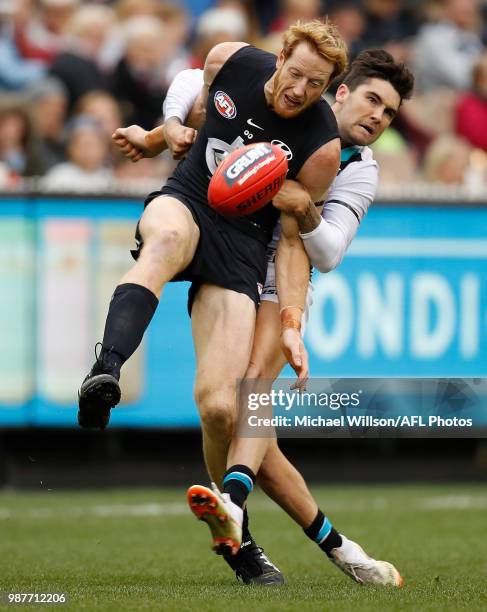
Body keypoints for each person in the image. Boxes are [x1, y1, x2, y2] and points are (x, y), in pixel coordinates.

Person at [114, 49, 414, 586]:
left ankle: (232, 511)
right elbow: (192, 79)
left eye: (389, 113)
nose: (378, 116)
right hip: (229, 253)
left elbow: (326, 251)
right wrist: (168, 129)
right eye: (372, 99)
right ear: (340, 92)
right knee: (222, 413)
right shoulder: (290, 99)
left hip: (282, 278)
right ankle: (340, 547)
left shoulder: (360, 171)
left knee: (252, 395)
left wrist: (304, 206)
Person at [78, 17, 347, 569]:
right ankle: (106, 370)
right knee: (165, 239)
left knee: (223, 407)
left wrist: (292, 320)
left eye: (315, 84)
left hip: (241, 249)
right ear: (278, 58)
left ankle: (235, 535)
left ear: (326, 89)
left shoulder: (321, 148)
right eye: (295, 73)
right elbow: (193, 108)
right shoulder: (232, 61)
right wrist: (160, 133)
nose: (299, 90)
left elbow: (293, 243)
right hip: (189, 199)